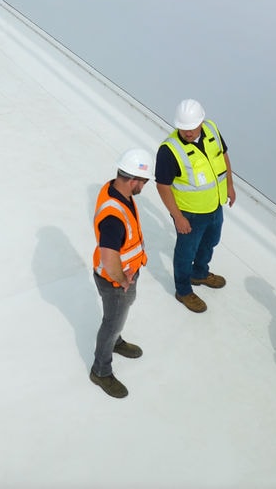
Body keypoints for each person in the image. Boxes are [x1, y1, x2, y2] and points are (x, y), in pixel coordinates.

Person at [155, 99, 234, 313]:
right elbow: (162, 185)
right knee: (185, 252)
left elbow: (223, 156)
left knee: (211, 242)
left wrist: (230, 186)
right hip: (189, 213)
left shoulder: (212, 129)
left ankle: (199, 273)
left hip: (215, 205)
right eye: (183, 128)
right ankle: (183, 290)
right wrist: (178, 217)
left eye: (191, 128)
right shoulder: (169, 150)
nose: (187, 133)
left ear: (201, 122)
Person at [89, 148, 154, 399]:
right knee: (112, 321)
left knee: (117, 315)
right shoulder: (113, 217)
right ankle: (101, 371)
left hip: (125, 274)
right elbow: (108, 257)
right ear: (133, 180)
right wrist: (122, 280)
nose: (143, 187)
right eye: (143, 182)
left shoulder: (114, 189)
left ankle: (115, 340)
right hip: (115, 281)